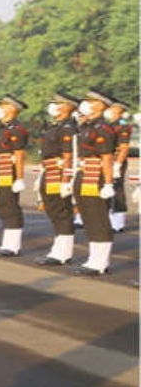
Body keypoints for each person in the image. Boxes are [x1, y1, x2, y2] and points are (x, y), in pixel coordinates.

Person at [71, 89, 118, 275]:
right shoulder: (88, 126)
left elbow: (106, 158)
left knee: (98, 218)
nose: (86, 103)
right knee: (88, 217)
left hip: (95, 175)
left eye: (91, 100)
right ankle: (93, 258)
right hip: (84, 173)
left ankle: (100, 262)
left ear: (100, 104)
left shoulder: (103, 129)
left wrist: (107, 184)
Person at [35, 92, 80, 265]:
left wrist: (66, 181)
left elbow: (69, 156)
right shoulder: (54, 126)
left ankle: (63, 252)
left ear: (69, 106)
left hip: (59, 173)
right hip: (50, 171)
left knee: (61, 211)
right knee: (53, 209)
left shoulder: (68, 127)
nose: (54, 105)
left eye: (59, 103)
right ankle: (58, 248)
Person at [0, 95, 30, 257]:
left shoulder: (17, 130)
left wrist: (19, 178)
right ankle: (7, 242)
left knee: (10, 205)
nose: (0, 108)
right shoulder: (2, 128)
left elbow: (19, 155)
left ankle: (13, 245)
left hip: (8, 170)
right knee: (3, 205)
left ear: (13, 108)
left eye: (4, 105)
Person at [105, 98, 133, 232]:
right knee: (107, 188)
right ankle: (109, 218)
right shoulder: (110, 124)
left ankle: (118, 222)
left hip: (116, 161)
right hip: (107, 161)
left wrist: (117, 165)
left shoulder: (122, 126)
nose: (108, 110)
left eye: (111, 108)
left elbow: (124, 148)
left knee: (117, 189)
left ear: (118, 110)